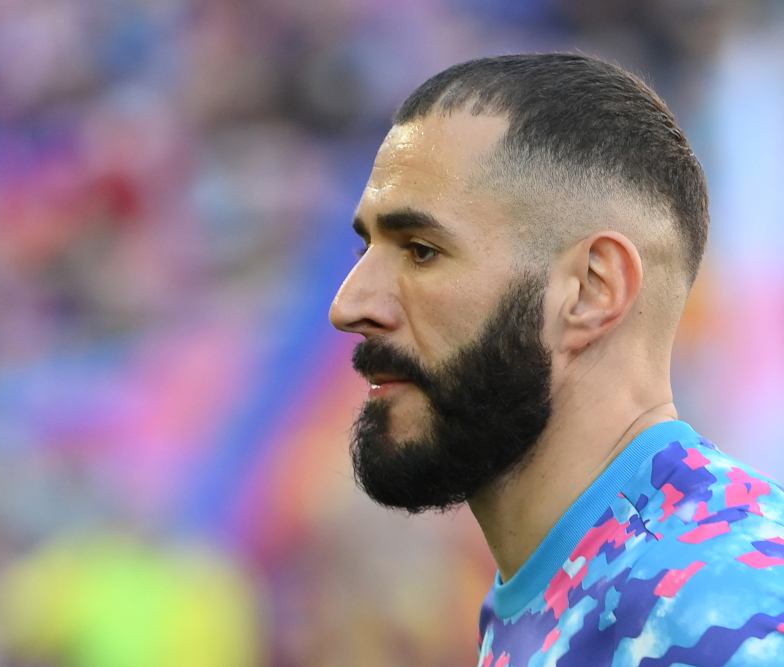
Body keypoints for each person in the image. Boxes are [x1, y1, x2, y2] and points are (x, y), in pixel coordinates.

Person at [329, 53, 784, 666]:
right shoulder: (567, 588)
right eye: (366, 247)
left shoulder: (729, 617)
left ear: (592, 289)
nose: (350, 304)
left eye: (421, 250)